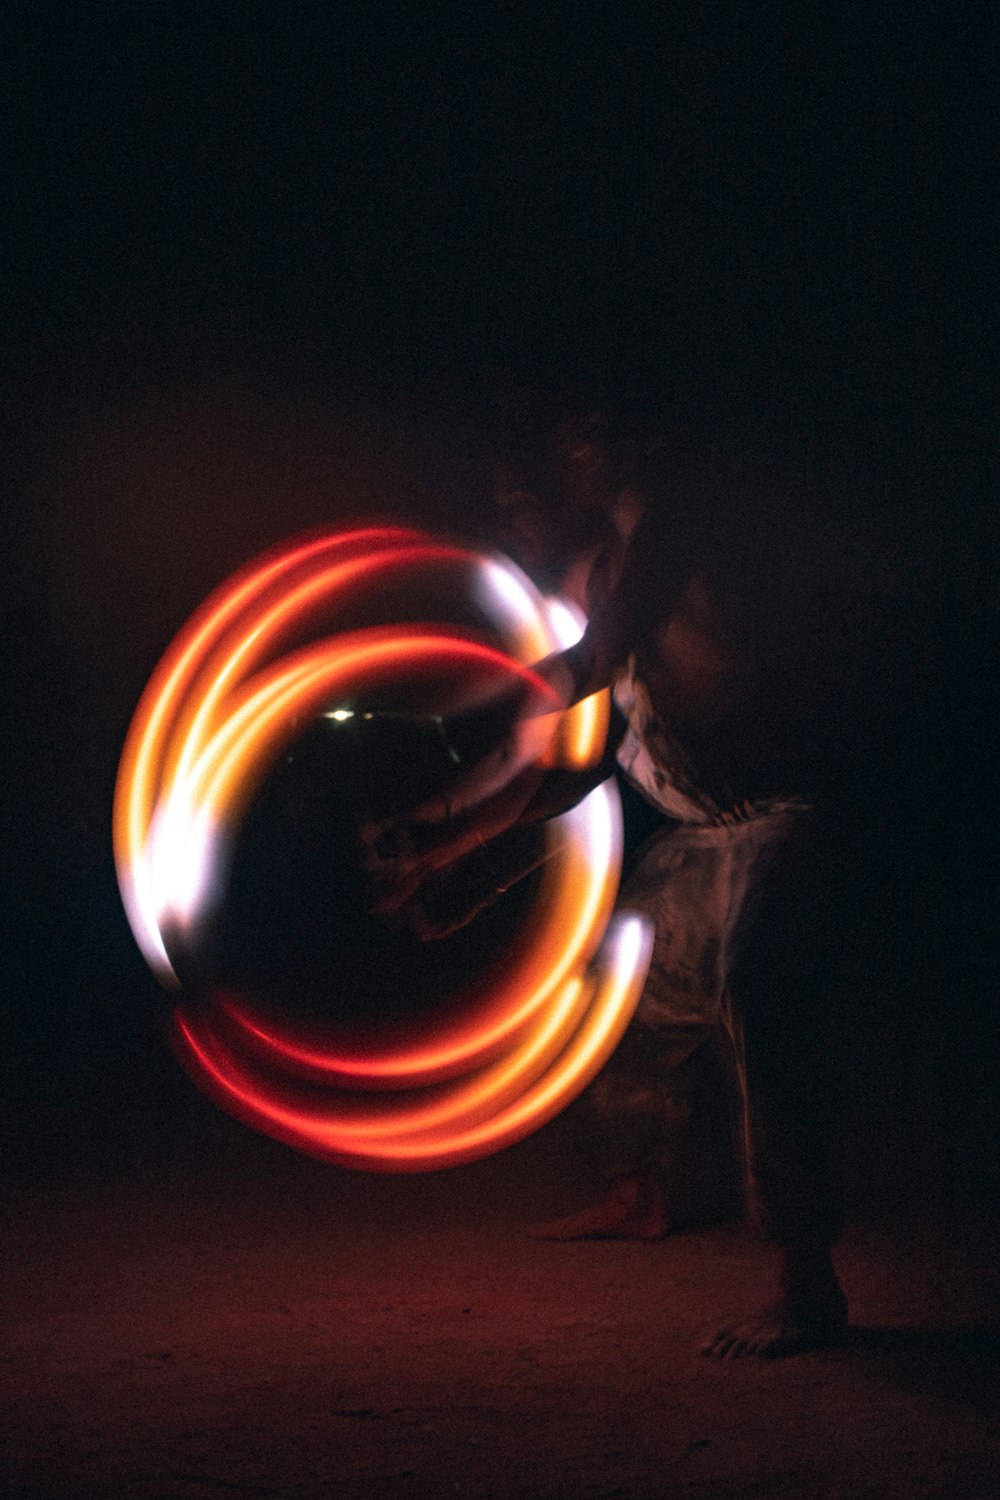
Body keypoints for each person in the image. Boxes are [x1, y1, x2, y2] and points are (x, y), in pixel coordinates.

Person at [366, 408, 898, 1357]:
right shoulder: (594, 578)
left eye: (532, 484)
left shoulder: (673, 515)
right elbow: (564, 768)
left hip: (788, 815)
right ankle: (638, 1192)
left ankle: (804, 1279)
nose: (513, 512)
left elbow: (583, 669)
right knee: (623, 987)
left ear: (604, 448)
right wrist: (442, 836)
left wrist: (453, 698)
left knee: (758, 990)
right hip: (705, 833)